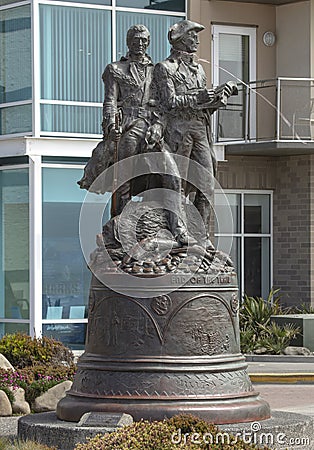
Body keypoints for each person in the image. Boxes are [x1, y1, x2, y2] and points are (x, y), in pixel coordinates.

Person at [78, 24, 192, 245]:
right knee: (124, 175)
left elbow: (163, 104)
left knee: (172, 173)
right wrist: (111, 124)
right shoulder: (115, 69)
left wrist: (158, 126)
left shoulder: (156, 70)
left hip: (153, 127)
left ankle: (178, 228)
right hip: (129, 124)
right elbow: (110, 100)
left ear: (148, 43)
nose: (140, 44)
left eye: (144, 40)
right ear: (128, 42)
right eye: (135, 40)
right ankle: (120, 223)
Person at [152, 20, 236, 249]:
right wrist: (198, 98)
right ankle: (179, 232)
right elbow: (168, 103)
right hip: (178, 131)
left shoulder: (199, 70)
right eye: (193, 36)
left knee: (207, 183)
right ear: (180, 39)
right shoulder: (164, 68)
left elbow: (203, 106)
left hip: (200, 130)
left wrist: (219, 97)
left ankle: (201, 234)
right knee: (176, 182)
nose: (197, 40)